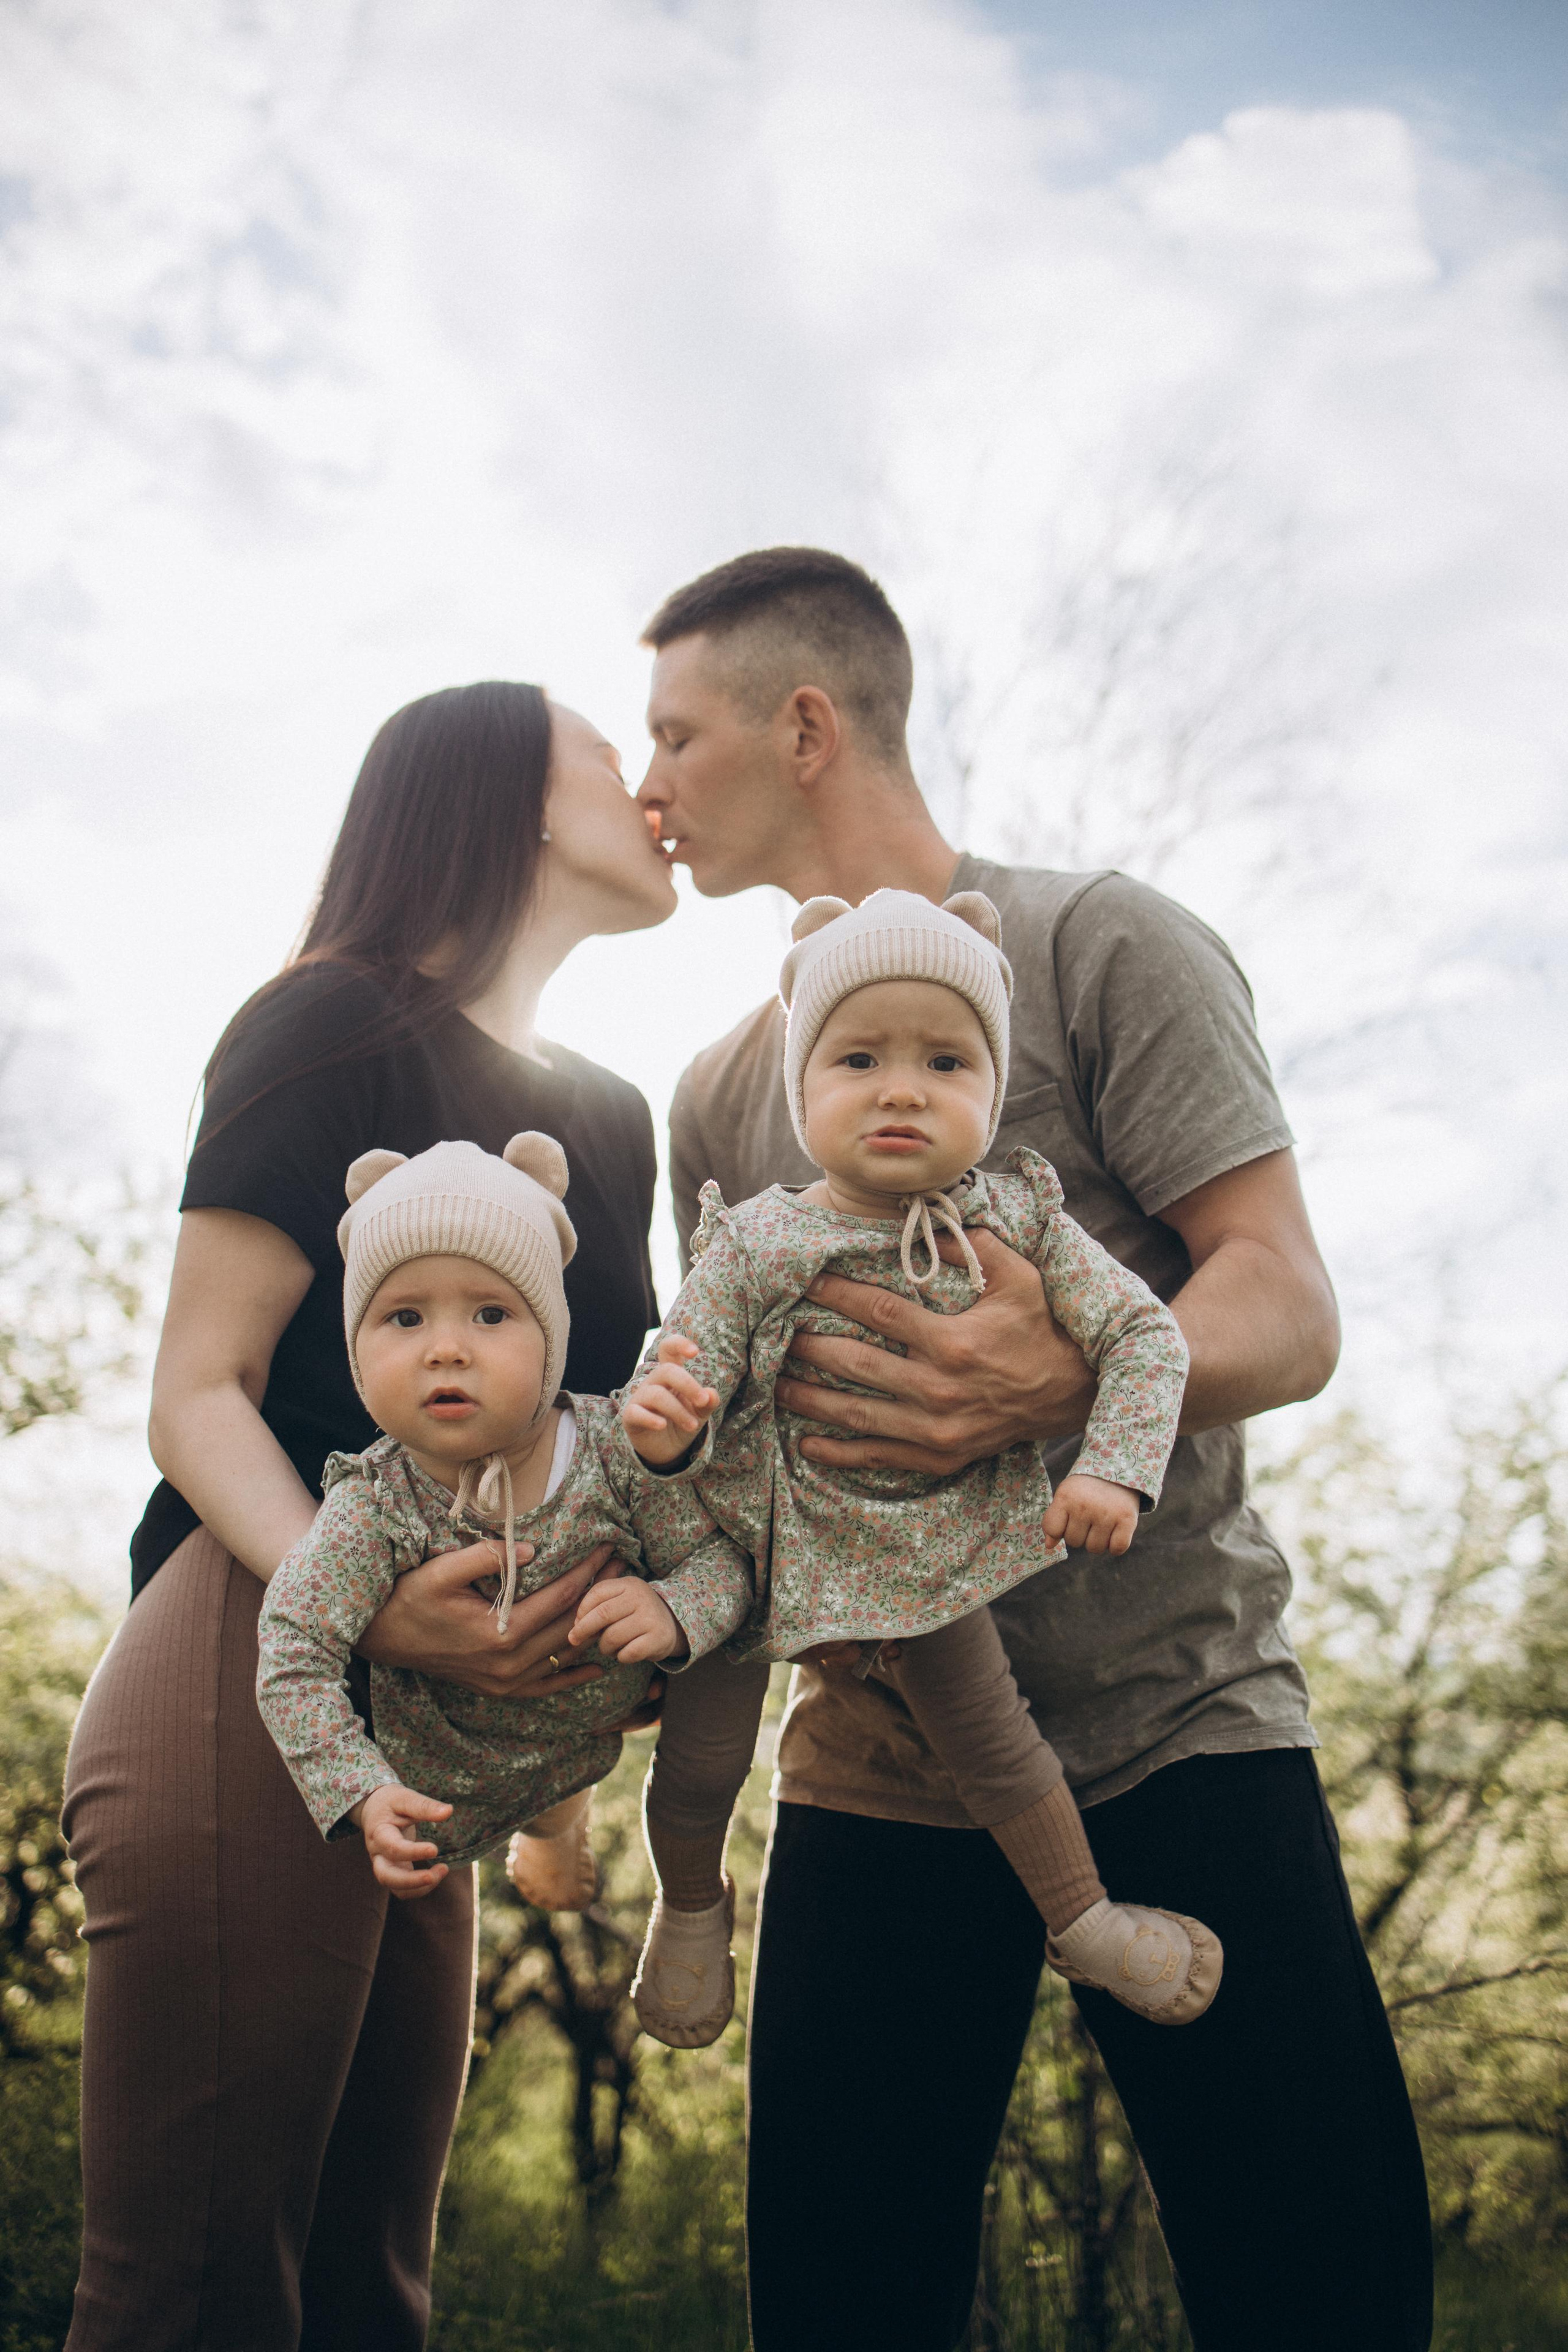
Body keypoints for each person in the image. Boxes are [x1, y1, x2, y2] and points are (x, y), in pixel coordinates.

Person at [635, 549, 1434, 2352]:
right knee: (844, 2306)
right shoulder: (714, 1089)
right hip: (869, 1759)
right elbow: (728, 1418)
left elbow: (1286, 1305)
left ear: (806, 724)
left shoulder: (1095, 944)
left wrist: (1051, 1381)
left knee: (1321, 2291)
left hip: (1177, 1719)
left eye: (674, 734)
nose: (646, 786)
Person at [61, 680, 676, 2352]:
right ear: (514, 804)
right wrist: (361, 1596)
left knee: (364, 2293)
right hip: (258, 1657)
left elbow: (606, 1442)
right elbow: (200, 1388)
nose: (655, 787)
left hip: (443, 1725)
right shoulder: (323, 1024)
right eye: (618, 759)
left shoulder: (610, 1121)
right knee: (194, 2291)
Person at [622, 886, 1219, 2049]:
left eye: (947, 1061)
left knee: (995, 1745)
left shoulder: (1025, 1222)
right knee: (700, 1760)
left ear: (995, 1092)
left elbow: (1145, 1333)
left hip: (921, 1552)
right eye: (857, 1057)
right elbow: (684, 1378)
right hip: (747, 1551)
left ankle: (1083, 1919)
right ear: (803, 1087)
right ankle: (690, 1907)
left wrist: (1113, 1465)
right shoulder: (755, 1240)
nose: (902, 1088)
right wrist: (670, 1427)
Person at [255, 1130, 749, 1898]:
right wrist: (357, 1787)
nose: (446, 1348)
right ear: (356, 1349)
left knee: (559, 1807)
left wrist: (674, 1608)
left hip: (585, 1747)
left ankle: (557, 1827)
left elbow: (722, 1560)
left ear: (549, 1337)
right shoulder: (373, 1506)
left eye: (490, 1314)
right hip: (442, 1786)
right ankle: (536, 1830)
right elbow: (294, 1648)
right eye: (405, 1318)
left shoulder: (617, 1451)